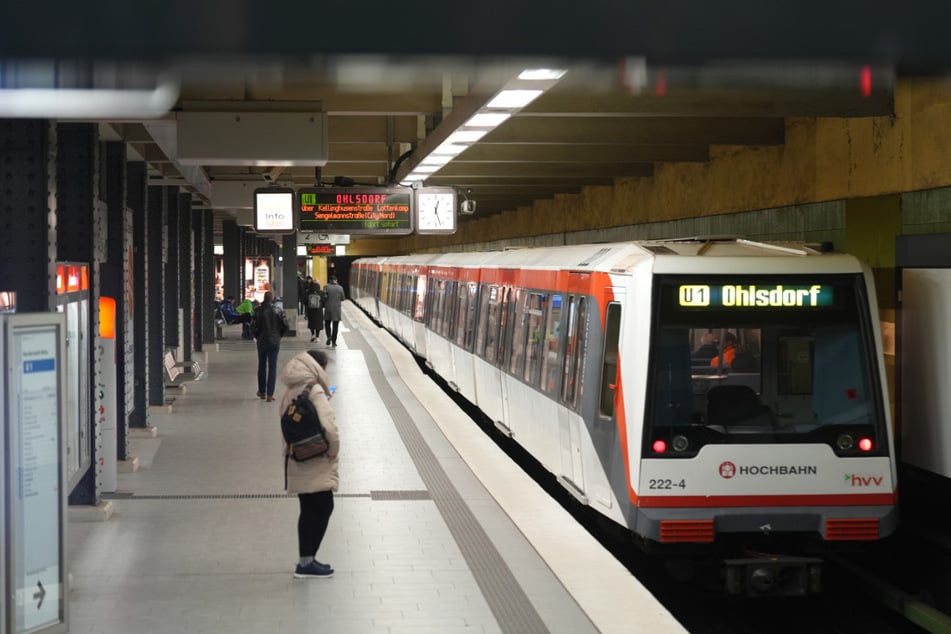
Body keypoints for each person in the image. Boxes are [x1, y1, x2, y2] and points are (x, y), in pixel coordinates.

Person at [278, 349, 339, 579]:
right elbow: (330, 429)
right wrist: (333, 453)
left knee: (308, 509)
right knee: (324, 507)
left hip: (296, 456)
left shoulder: (292, 389)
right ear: (318, 368)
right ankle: (307, 561)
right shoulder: (314, 390)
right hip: (316, 458)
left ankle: (307, 560)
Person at [251, 291, 289, 401]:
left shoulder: (257, 310)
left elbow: (252, 326)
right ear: (272, 299)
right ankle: (270, 394)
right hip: (274, 341)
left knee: (261, 366)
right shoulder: (278, 310)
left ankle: (262, 392)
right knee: (273, 367)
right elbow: (286, 326)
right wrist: (279, 335)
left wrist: (257, 336)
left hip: (262, 340)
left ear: (264, 298)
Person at [322, 275, 345, 347]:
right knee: (335, 326)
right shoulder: (340, 288)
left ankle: (329, 336)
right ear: (336, 280)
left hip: (328, 308)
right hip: (336, 309)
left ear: (329, 280)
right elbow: (343, 298)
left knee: (327, 323)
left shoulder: (326, 287)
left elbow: (324, 297)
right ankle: (334, 342)